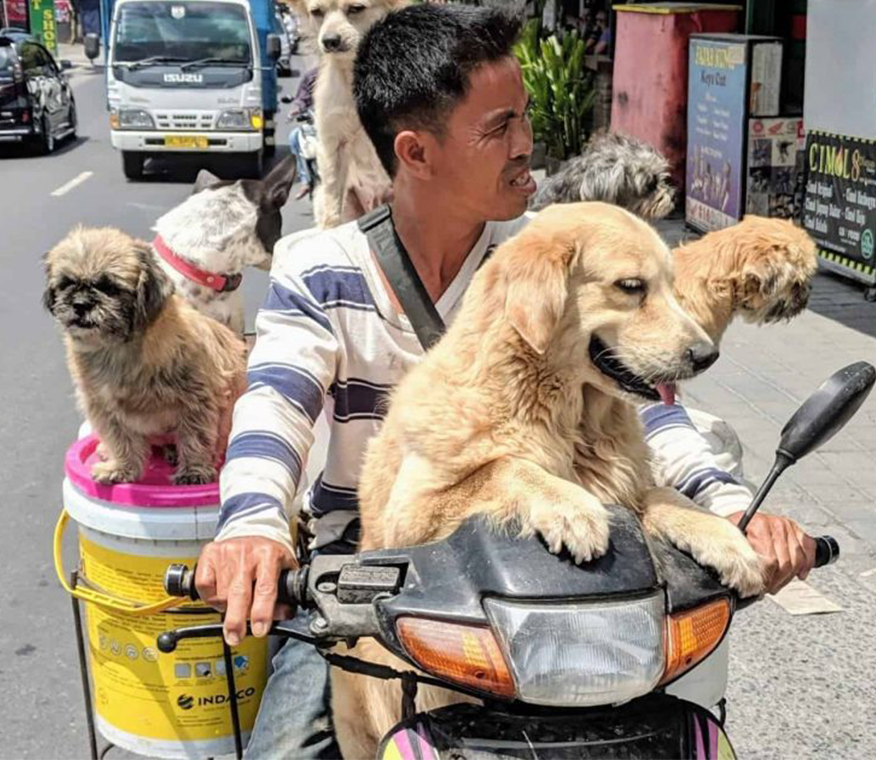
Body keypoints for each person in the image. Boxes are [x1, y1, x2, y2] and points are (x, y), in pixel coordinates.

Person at [196, 5, 818, 757]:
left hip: (555, 582)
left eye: (523, 116)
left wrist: (730, 506)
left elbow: (645, 408)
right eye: (498, 127)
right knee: (287, 748)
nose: (527, 143)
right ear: (416, 152)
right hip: (373, 573)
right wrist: (253, 525)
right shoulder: (320, 266)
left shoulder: (551, 254)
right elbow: (275, 405)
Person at [286, 66, 319, 201]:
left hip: (340, 123)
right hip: (316, 123)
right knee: (294, 137)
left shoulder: (348, 73)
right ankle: (305, 181)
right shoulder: (311, 75)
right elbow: (301, 99)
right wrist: (296, 109)